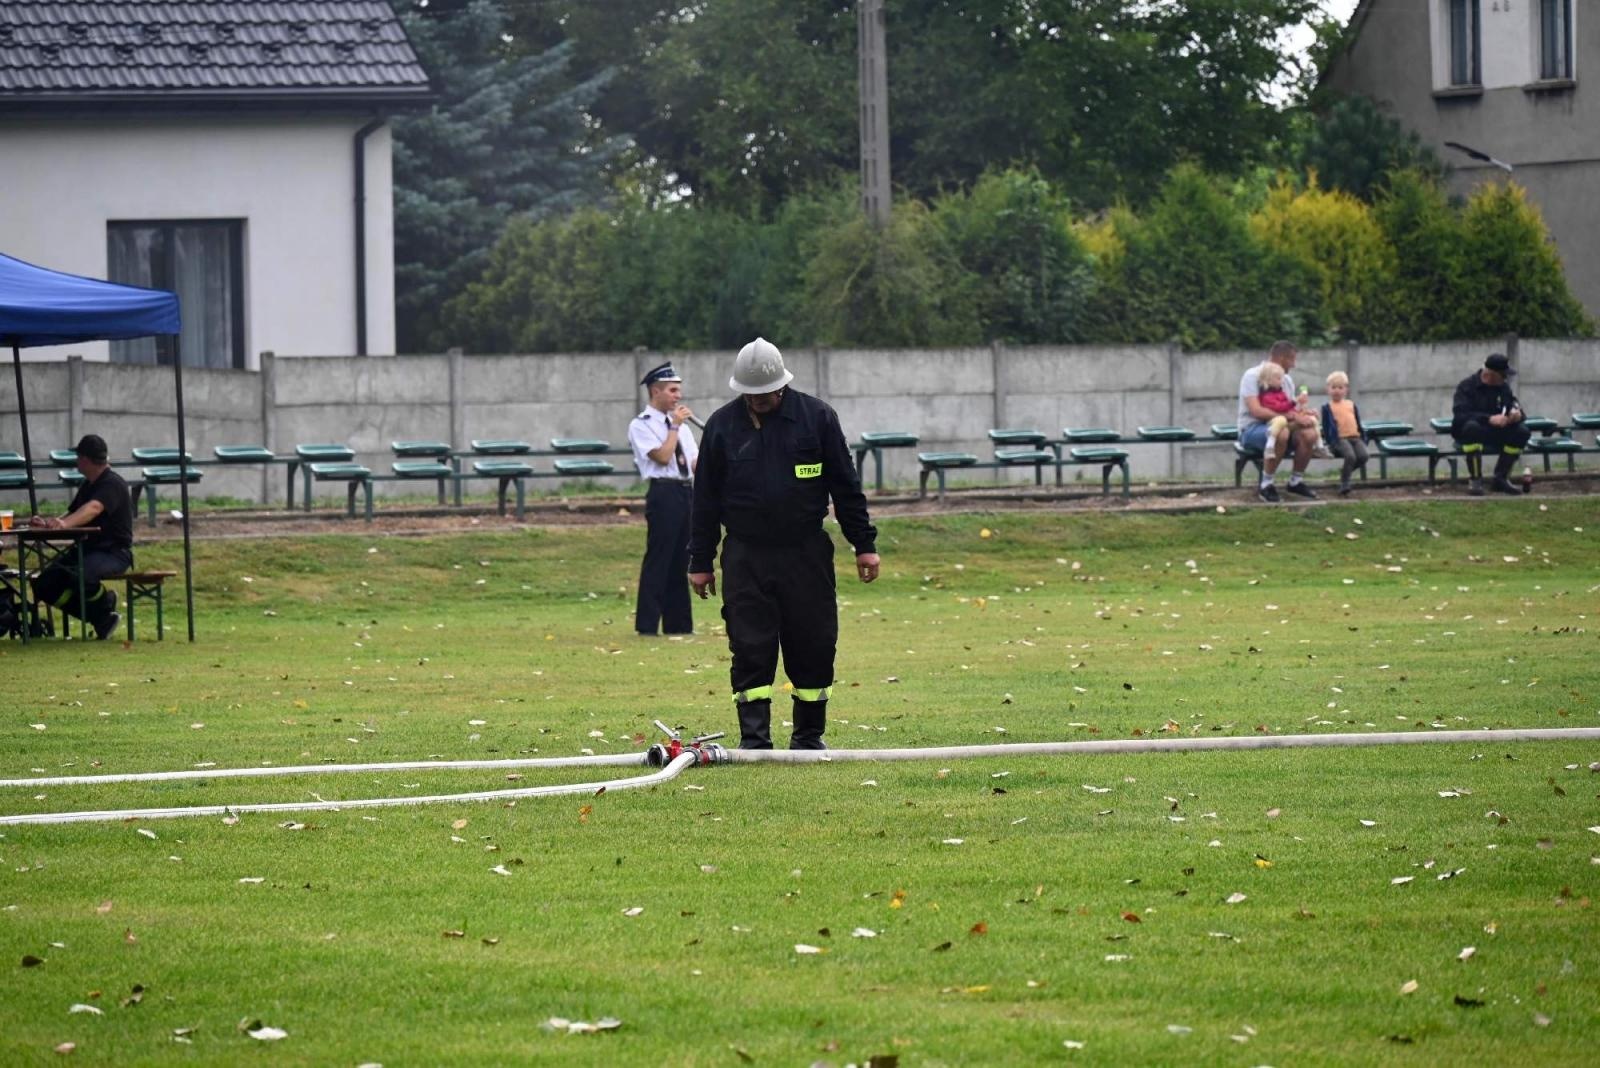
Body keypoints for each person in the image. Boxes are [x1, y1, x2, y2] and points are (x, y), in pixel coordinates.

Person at [688, 337, 880, 751]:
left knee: (814, 642)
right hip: (745, 555)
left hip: (805, 553)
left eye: (765, 392)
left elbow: (846, 487)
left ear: (782, 384)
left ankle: (808, 738)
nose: (758, 399)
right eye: (750, 394)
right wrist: (699, 560)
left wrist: (863, 543)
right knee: (749, 646)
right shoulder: (722, 426)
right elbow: (704, 500)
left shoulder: (817, 418)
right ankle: (754, 740)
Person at [29, 434, 131, 639]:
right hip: (86, 550)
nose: (76, 461)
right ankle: (101, 618)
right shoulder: (88, 485)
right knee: (44, 584)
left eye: (77, 457)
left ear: (84, 459)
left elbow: (93, 508)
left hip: (113, 552)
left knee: (82, 576)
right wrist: (50, 525)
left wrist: (65, 524)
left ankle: (104, 604)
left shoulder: (112, 483)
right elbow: (73, 513)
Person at [628, 362, 699, 635]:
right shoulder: (641, 425)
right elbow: (662, 456)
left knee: (681, 560)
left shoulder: (682, 427)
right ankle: (647, 625)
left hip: (686, 492)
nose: (678, 396)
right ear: (655, 391)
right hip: (663, 492)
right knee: (659, 558)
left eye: (678, 390)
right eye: (672, 390)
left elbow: (693, 462)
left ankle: (678, 625)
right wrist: (675, 427)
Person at [1238, 339, 1320, 502]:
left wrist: (1304, 414)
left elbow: (1290, 410)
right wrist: (1291, 417)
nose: (1294, 365)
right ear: (1282, 358)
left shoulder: (1286, 380)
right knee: (1281, 433)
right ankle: (1266, 485)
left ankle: (1295, 482)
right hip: (1252, 429)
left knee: (1310, 433)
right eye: (1292, 359)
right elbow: (1256, 411)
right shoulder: (1252, 376)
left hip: (1283, 425)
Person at [1451, 352, 1529, 496]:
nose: (1505, 378)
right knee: (1471, 428)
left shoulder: (1504, 388)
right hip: (1474, 431)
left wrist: (1516, 415)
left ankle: (1501, 478)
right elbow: (1460, 414)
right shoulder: (1467, 386)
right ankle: (1475, 479)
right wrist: (1489, 418)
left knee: (1522, 432)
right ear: (1491, 374)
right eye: (1503, 375)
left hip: (1497, 431)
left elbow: (1513, 405)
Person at [1320, 370, 1369, 497]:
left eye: (1340, 388)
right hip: (1340, 439)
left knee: (1363, 456)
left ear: (1346, 389)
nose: (1337, 391)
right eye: (1333, 387)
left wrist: (1362, 437)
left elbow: (1357, 421)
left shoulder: (1350, 404)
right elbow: (1326, 426)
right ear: (1328, 389)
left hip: (1355, 437)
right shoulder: (1327, 407)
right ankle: (1345, 483)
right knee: (1350, 456)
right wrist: (1331, 441)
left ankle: (1345, 472)